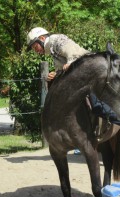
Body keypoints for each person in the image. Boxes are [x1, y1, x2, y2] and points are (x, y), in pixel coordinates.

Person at [27, 27, 90, 155]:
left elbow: (74, 55)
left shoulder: (56, 40)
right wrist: (55, 74)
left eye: (35, 47)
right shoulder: (51, 50)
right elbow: (63, 68)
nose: (35, 51)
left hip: (87, 67)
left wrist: (69, 63)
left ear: (42, 38)